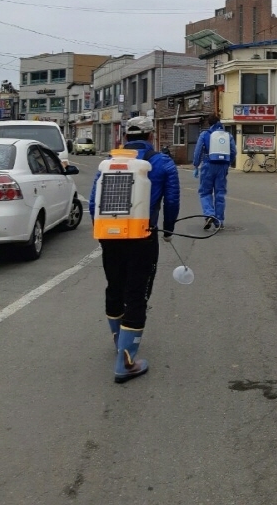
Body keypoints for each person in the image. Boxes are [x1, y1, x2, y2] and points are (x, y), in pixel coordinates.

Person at [89, 115, 180, 383]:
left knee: (114, 286)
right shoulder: (162, 162)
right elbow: (172, 200)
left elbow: (94, 200)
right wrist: (169, 228)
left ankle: (119, 342)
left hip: (109, 235)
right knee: (137, 293)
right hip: (142, 235)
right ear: (151, 136)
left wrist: (102, 232)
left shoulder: (108, 164)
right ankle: (126, 364)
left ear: (125, 137)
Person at [193, 113, 237, 229]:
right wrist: (227, 163)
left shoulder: (205, 134)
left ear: (209, 123)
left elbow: (198, 151)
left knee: (205, 192)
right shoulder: (227, 135)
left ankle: (209, 214)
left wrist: (196, 165)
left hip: (208, 164)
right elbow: (233, 151)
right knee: (220, 194)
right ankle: (219, 221)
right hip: (222, 166)